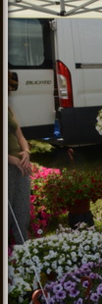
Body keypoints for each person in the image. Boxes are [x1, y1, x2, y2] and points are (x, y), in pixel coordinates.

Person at [8, 72, 33, 245]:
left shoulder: (7, 107)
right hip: (9, 166)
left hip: (20, 165)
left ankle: (23, 250)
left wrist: (25, 152)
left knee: (22, 213)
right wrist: (12, 160)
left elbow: (20, 135)